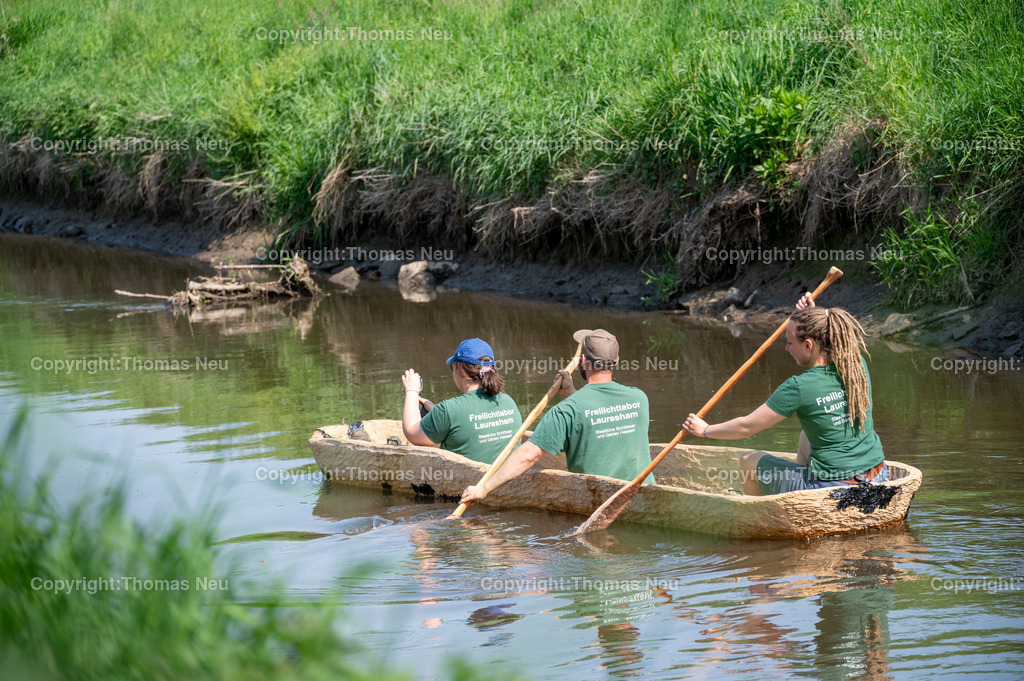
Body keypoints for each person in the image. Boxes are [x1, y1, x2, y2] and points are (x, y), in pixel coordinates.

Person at [683, 293, 888, 496]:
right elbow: (825, 334)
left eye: (790, 342)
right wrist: (811, 317)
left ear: (808, 345)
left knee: (748, 461)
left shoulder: (798, 387)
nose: (786, 348)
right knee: (806, 435)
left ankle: (759, 518)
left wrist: (705, 430)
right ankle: (796, 496)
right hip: (878, 475)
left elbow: (745, 427)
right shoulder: (856, 365)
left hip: (834, 487)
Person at [459, 329, 653, 507]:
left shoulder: (566, 411)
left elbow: (528, 455)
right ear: (617, 361)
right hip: (644, 497)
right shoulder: (639, 398)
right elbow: (599, 415)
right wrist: (572, 393)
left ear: (583, 360)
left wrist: (483, 488)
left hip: (599, 502)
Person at [402, 338, 522, 464]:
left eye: (452, 367)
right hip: (507, 479)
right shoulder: (508, 401)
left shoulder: (449, 409)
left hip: (471, 482)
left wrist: (411, 390)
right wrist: (435, 412)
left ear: (460, 369)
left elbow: (412, 433)